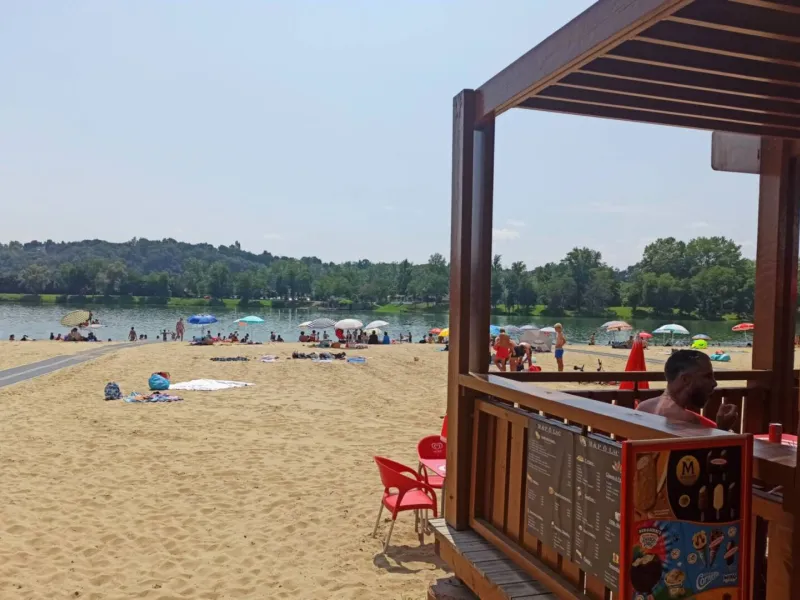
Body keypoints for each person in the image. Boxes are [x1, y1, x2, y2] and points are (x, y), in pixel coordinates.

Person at [636, 350, 738, 431]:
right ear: (685, 379)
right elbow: (709, 451)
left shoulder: (643, 407)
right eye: (707, 376)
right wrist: (723, 429)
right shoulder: (688, 421)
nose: (714, 383)